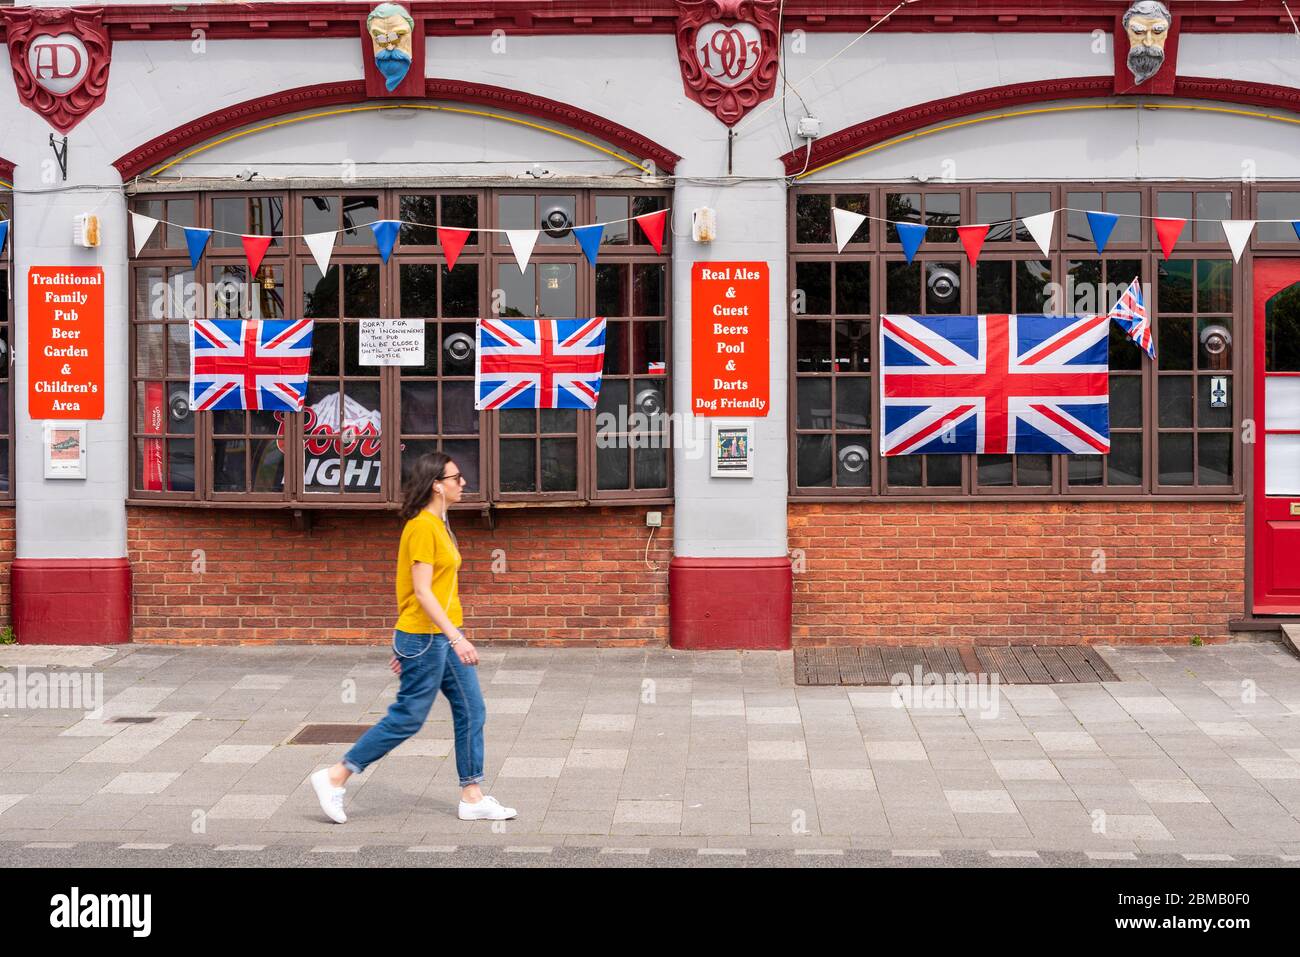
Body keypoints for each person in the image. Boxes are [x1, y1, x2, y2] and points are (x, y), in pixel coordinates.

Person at [308, 451, 515, 823]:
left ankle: (472, 796)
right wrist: (454, 639)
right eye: (456, 478)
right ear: (437, 485)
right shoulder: (422, 527)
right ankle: (335, 776)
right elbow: (421, 592)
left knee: (472, 709)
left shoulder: (440, 523)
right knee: (408, 718)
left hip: (436, 636)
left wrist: (446, 636)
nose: (463, 483)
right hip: (426, 637)